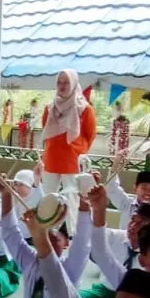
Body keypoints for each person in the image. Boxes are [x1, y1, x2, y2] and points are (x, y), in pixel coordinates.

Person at [77, 201, 150, 298]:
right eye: (133, 219)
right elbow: (92, 237)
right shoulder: (114, 236)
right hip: (105, 291)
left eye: (140, 223)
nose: (133, 226)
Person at [40, 69, 97, 233]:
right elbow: (45, 129)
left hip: (72, 160)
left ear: (73, 84)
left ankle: (73, 236)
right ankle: (48, 233)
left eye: (66, 82)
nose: (62, 86)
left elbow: (90, 134)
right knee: (48, 197)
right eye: (59, 82)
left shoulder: (84, 108)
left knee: (72, 199)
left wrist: (77, 150)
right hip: (51, 158)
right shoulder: (50, 107)